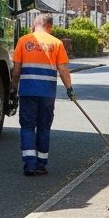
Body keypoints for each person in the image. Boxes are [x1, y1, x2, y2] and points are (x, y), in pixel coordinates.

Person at [10, 15, 74, 176]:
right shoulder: (56, 43)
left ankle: (29, 164)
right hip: (47, 93)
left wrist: (13, 86)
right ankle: (41, 164)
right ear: (50, 27)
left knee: (27, 126)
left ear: (34, 25)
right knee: (44, 126)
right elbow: (63, 69)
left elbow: (17, 68)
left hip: (28, 91)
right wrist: (69, 89)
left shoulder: (23, 41)